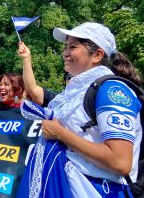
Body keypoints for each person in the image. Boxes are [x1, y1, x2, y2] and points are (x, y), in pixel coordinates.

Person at [19, 22, 142, 197]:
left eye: (73, 46)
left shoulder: (112, 90)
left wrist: (60, 134)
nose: (65, 53)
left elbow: (120, 162)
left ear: (97, 55)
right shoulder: (76, 91)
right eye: (65, 46)